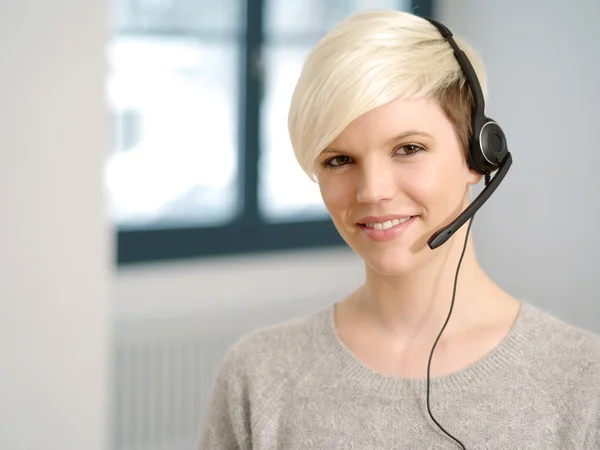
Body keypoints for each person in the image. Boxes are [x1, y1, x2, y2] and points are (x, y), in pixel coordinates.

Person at [198, 9, 600, 449]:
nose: (372, 192)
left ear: (478, 155)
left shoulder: (582, 384)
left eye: (408, 148)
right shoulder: (258, 376)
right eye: (338, 160)